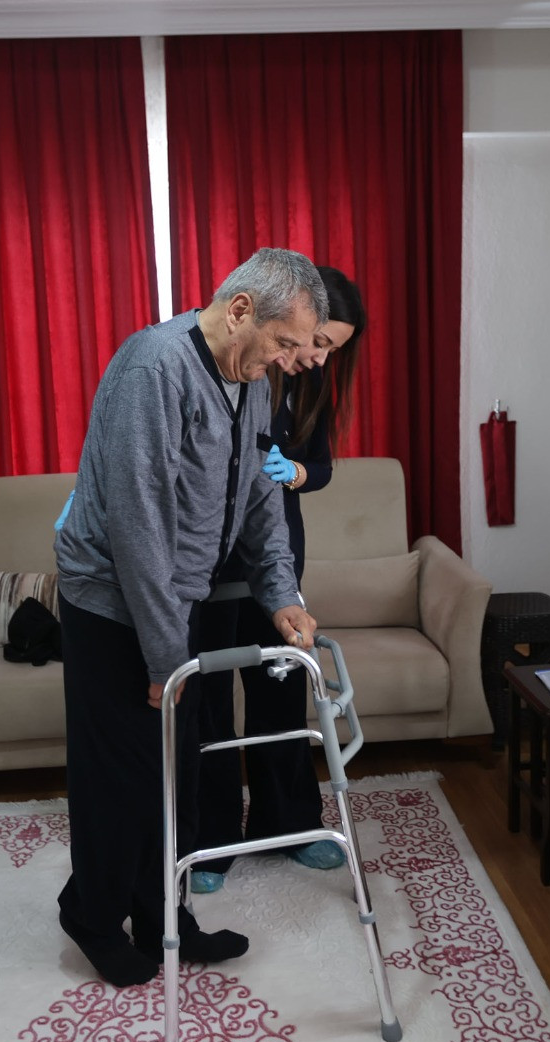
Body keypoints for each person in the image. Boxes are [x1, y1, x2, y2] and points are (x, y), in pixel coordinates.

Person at [53, 248, 325, 988]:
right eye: (282, 342)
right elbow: (139, 528)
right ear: (239, 310)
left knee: (177, 771)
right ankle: (92, 914)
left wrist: (281, 593)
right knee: (125, 775)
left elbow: (262, 494)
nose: (286, 361)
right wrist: (165, 661)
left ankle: (163, 917)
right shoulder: (155, 369)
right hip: (114, 602)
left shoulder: (251, 380)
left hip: (180, 599)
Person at [191, 266, 367, 894]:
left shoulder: (310, 384)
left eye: (331, 350)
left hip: (277, 561)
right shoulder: (232, 369)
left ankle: (291, 824)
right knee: (208, 706)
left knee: (282, 696)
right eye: (316, 342)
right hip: (210, 566)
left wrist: (292, 472)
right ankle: (209, 842)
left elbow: (320, 467)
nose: (318, 358)